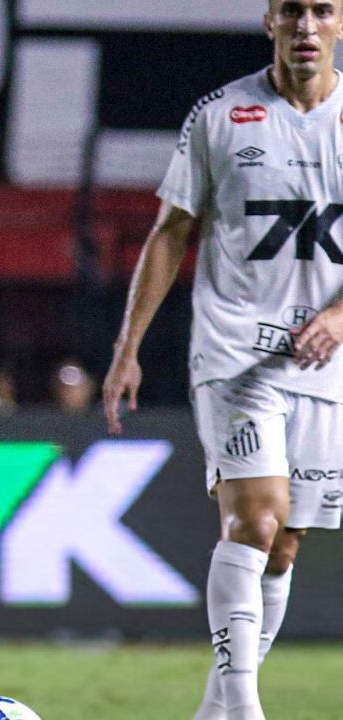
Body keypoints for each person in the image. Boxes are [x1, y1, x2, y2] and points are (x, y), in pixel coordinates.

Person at [103, 2, 343, 719]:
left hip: (323, 359)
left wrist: (338, 316)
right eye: (292, 10)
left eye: (322, 10)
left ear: (342, 22)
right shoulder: (220, 114)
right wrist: (128, 348)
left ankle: (215, 707)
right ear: (269, 20)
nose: (306, 25)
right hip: (235, 351)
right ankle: (242, 706)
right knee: (255, 521)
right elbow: (172, 230)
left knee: (284, 544)